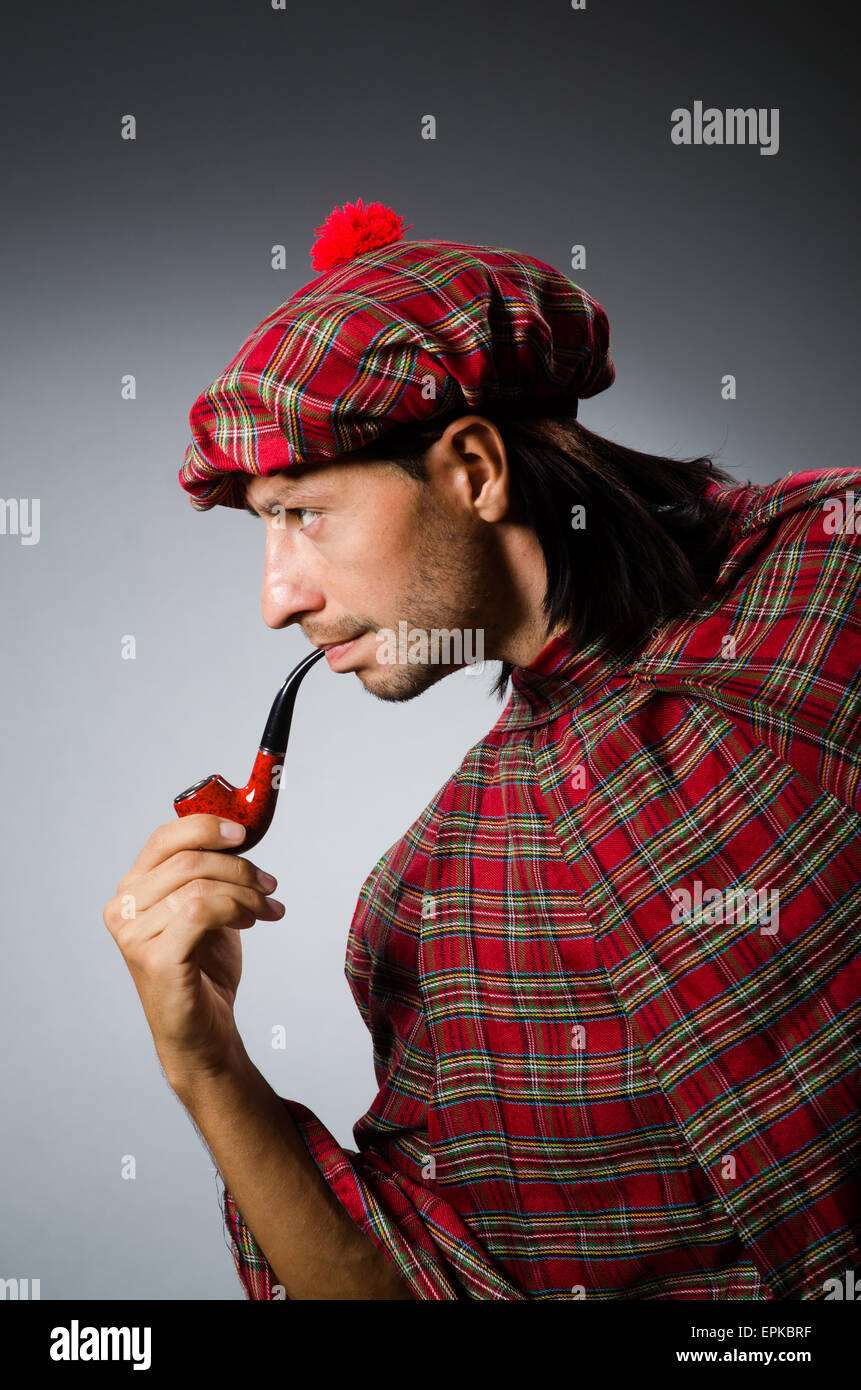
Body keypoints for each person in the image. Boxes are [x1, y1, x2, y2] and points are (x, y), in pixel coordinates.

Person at [103, 199, 861, 1299]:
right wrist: (205, 1061)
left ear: (471, 469)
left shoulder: (836, 576)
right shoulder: (426, 914)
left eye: (302, 515)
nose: (275, 599)